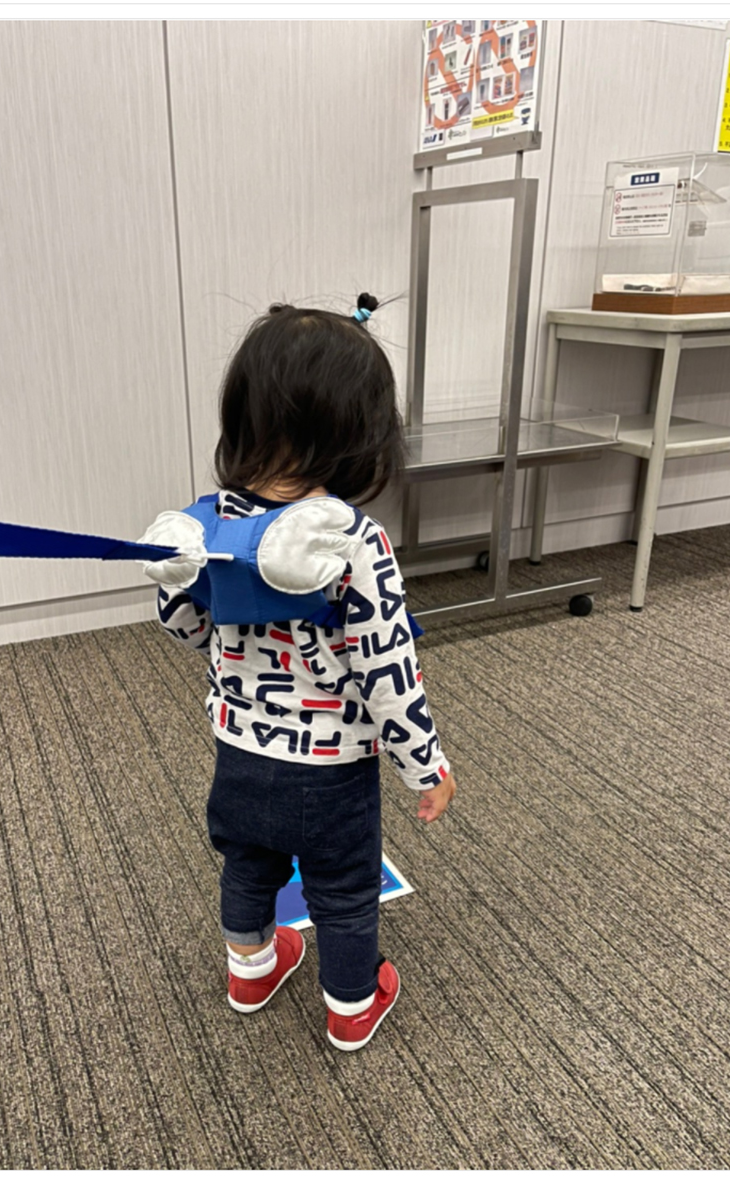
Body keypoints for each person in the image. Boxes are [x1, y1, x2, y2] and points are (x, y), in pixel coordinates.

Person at [140, 294, 456, 1052]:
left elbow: (185, 626)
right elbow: (387, 668)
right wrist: (426, 766)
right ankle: (352, 1005)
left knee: (248, 865)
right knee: (342, 886)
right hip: (331, 767)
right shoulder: (355, 541)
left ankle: (250, 970)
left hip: (240, 751)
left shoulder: (207, 526)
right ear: (360, 437)